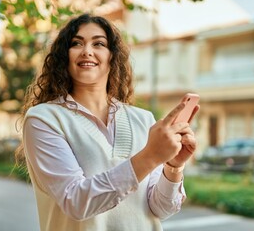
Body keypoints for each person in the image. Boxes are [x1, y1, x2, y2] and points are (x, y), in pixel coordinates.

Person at [16, 13, 198, 231]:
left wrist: (173, 166)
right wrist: (150, 156)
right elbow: (75, 201)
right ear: (65, 55)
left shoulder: (143, 119)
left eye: (99, 43)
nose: (87, 51)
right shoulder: (44, 118)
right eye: (76, 43)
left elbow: (161, 209)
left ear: (113, 56)